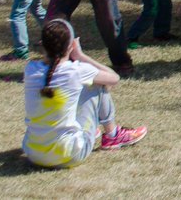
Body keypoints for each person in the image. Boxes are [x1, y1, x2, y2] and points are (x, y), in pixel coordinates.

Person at [22, 19, 146, 168]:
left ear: (42, 44)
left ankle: (90, 131)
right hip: (69, 155)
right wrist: (80, 56)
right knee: (98, 85)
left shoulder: (30, 69)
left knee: (62, 97)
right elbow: (114, 78)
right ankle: (113, 135)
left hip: (33, 154)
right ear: (71, 46)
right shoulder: (77, 70)